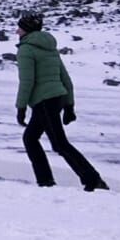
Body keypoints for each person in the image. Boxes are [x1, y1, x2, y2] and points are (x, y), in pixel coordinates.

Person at [14, 13, 108, 191]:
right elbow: (65, 78)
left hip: (44, 101)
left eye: (20, 27)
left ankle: (92, 180)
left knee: (59, 144)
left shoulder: (26, 49)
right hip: (56, 98)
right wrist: (69, 106)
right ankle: (45, 181)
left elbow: (27, 81)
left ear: (26, 30)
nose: (17, 31)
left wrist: (20, 108)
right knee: (30, 138)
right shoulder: (49, 47)